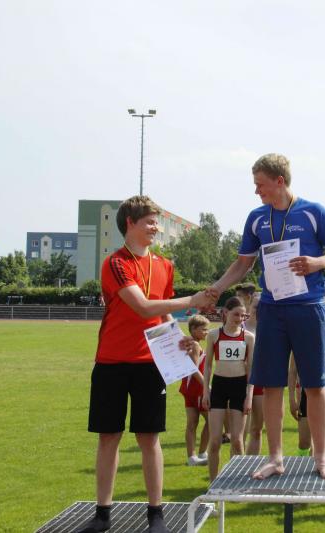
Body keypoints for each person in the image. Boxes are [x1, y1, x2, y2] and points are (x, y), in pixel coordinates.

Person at [204, 153, 325, 479]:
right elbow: (243, 263)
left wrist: (317, 263)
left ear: (279, 181)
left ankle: (321, 458)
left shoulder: (312, 212)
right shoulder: (257, 217)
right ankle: (275, 458)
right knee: (271, 386)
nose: (256, 191)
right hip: (271, 308)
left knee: (314, 385)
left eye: (260, 184)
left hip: (308, 307)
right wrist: (216, 288)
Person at [77, 195, 211, 533]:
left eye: (157, 222)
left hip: (151, 363)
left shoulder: (164, 265)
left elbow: (162, 313)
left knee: (149, 438)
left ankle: (156, 514)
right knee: (109, 436)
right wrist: (192, 301)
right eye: (150, 222)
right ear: (130, 223)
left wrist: (180, 336)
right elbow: (142, 306)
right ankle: (102, 513)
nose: (156, 228)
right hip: (111, 361)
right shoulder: (115, 263)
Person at [202, 297, 255, 481]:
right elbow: (208, 365)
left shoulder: (248, 337)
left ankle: (237, 483)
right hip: (219, 385)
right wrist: (205, 391)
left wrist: (249, 396)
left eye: (243, 315)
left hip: (239, 386)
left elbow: (251, 369)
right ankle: (213, 483)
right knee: (215, 440)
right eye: (236, 314)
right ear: (225, 313)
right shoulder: (214, 335)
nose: (239, 319)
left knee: (238, 441)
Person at [290, 304, 325, 457]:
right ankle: (300, 471)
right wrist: (292, 399)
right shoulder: (300, 339)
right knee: (304, 443)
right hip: (308, 386)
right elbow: (293, 371)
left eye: (323, 316)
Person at [235, 284, 265, 455]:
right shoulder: (240, 328)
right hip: (240, 381)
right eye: (255, 307)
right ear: (249, 305)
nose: (258, 310)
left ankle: (252, 465)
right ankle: (237, 466)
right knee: (239, 433)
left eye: (262, 308)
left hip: (262, 382)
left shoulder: (270, 329)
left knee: (257, 429)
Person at [180, 315, 210, 466]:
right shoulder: (196, 345)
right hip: (197, 388)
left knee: (192, 423)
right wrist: (206, 386)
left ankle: (192, 457)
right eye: (203, 329)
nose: (206, 332)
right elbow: (193, 368)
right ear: (193, 329)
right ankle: (202, 452)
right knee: (212, 420)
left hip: (187, 388)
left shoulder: (189, 343)